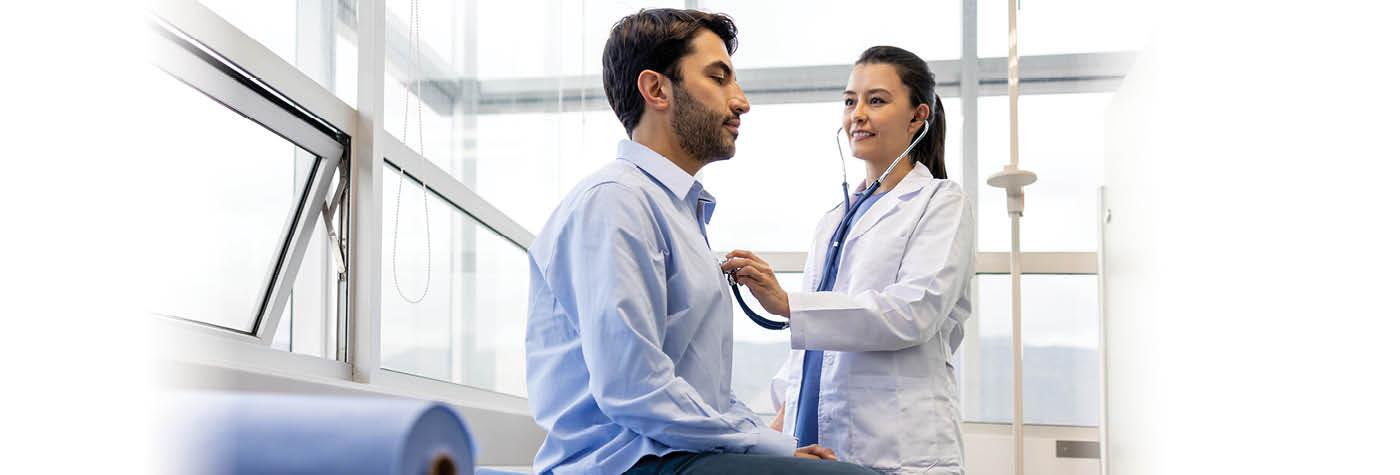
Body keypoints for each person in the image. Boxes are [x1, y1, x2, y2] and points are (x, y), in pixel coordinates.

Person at [525, 9, 878, 475]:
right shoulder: (615, 203)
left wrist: (772, 442)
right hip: (624, 462)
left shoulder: (677, 212)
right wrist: (762, 444)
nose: (742, 102)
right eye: (719, 78)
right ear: (656, 90)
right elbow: (634, 389)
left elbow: (701, 392)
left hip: (671, 453)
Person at [720, 45, 975, 474]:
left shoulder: (941, 202)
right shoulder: (833, 220)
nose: (857, 114)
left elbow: (915, 311)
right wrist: (775, 434)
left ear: (918, 116)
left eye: (876, 100)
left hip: (899, 449)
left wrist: (787, 303)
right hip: (818, 442)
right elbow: (813, 349)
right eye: (849, 101)